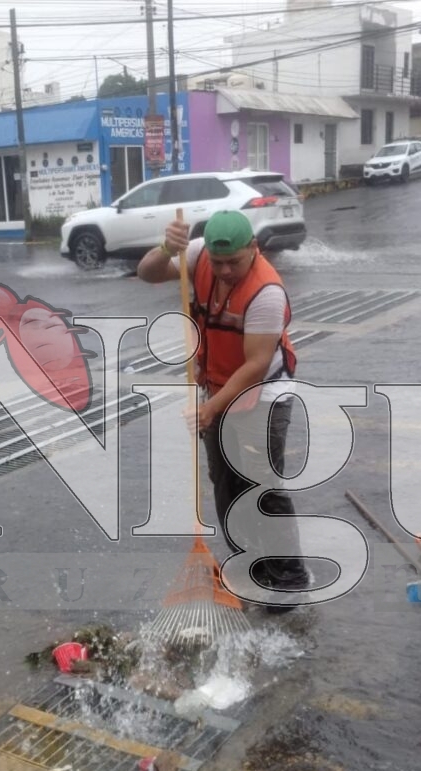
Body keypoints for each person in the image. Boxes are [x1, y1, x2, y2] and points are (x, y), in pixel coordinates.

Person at [137, 210, 310, 610]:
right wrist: (167, 247)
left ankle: (288, 577)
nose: (226, 269)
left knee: (260, 485)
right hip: (217, 386)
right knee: (225, 482)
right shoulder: (199, 256)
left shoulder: (266, 292)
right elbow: (147, 273)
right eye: (219, 263)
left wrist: (210, 408)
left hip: (262, 395)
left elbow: (255, 366)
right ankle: (249, 563)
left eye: (234, 261)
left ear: (253, 248)